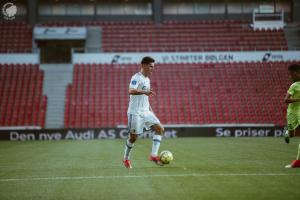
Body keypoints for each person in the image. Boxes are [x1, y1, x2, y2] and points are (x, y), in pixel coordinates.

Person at [123, 56, 164, 169]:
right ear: (144, 65)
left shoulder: (147, 79)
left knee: (160, 129)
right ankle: (126, 158)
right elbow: (131, 90)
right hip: (135, 112)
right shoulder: (136, 77)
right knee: (133, 138)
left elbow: (145, 98)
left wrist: (152, 112)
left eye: (153, 66)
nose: (152, 69)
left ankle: (154, 156)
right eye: (151, 66)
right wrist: (144, 92)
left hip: (146, 111)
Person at [283, 63, 300, 168]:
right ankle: (286, 132)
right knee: (291, 134)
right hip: (292, 112)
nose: (291, 76)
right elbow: (286, 100)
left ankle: (298, 160)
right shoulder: (294, 85)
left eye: (292, 74)